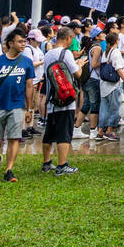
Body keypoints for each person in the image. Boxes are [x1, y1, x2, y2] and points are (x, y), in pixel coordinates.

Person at [0, 28, 36, 182]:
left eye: (25, 41)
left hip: (17, 105)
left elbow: (29, 86)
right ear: (11, 43)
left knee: (14, 137)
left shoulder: (27, 62)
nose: (23, 44)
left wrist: (30, 109)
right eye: (20, 41)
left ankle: (9, 170)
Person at [40, 25, 82, 176]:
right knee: (64, 132)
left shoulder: (48, 54)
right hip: (66, 99)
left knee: (49, 132)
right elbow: (77, 74)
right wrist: (80, 65)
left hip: (52, 99)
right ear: (68, 38)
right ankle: (62, 165)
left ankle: (46, 163)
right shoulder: (67, 53)